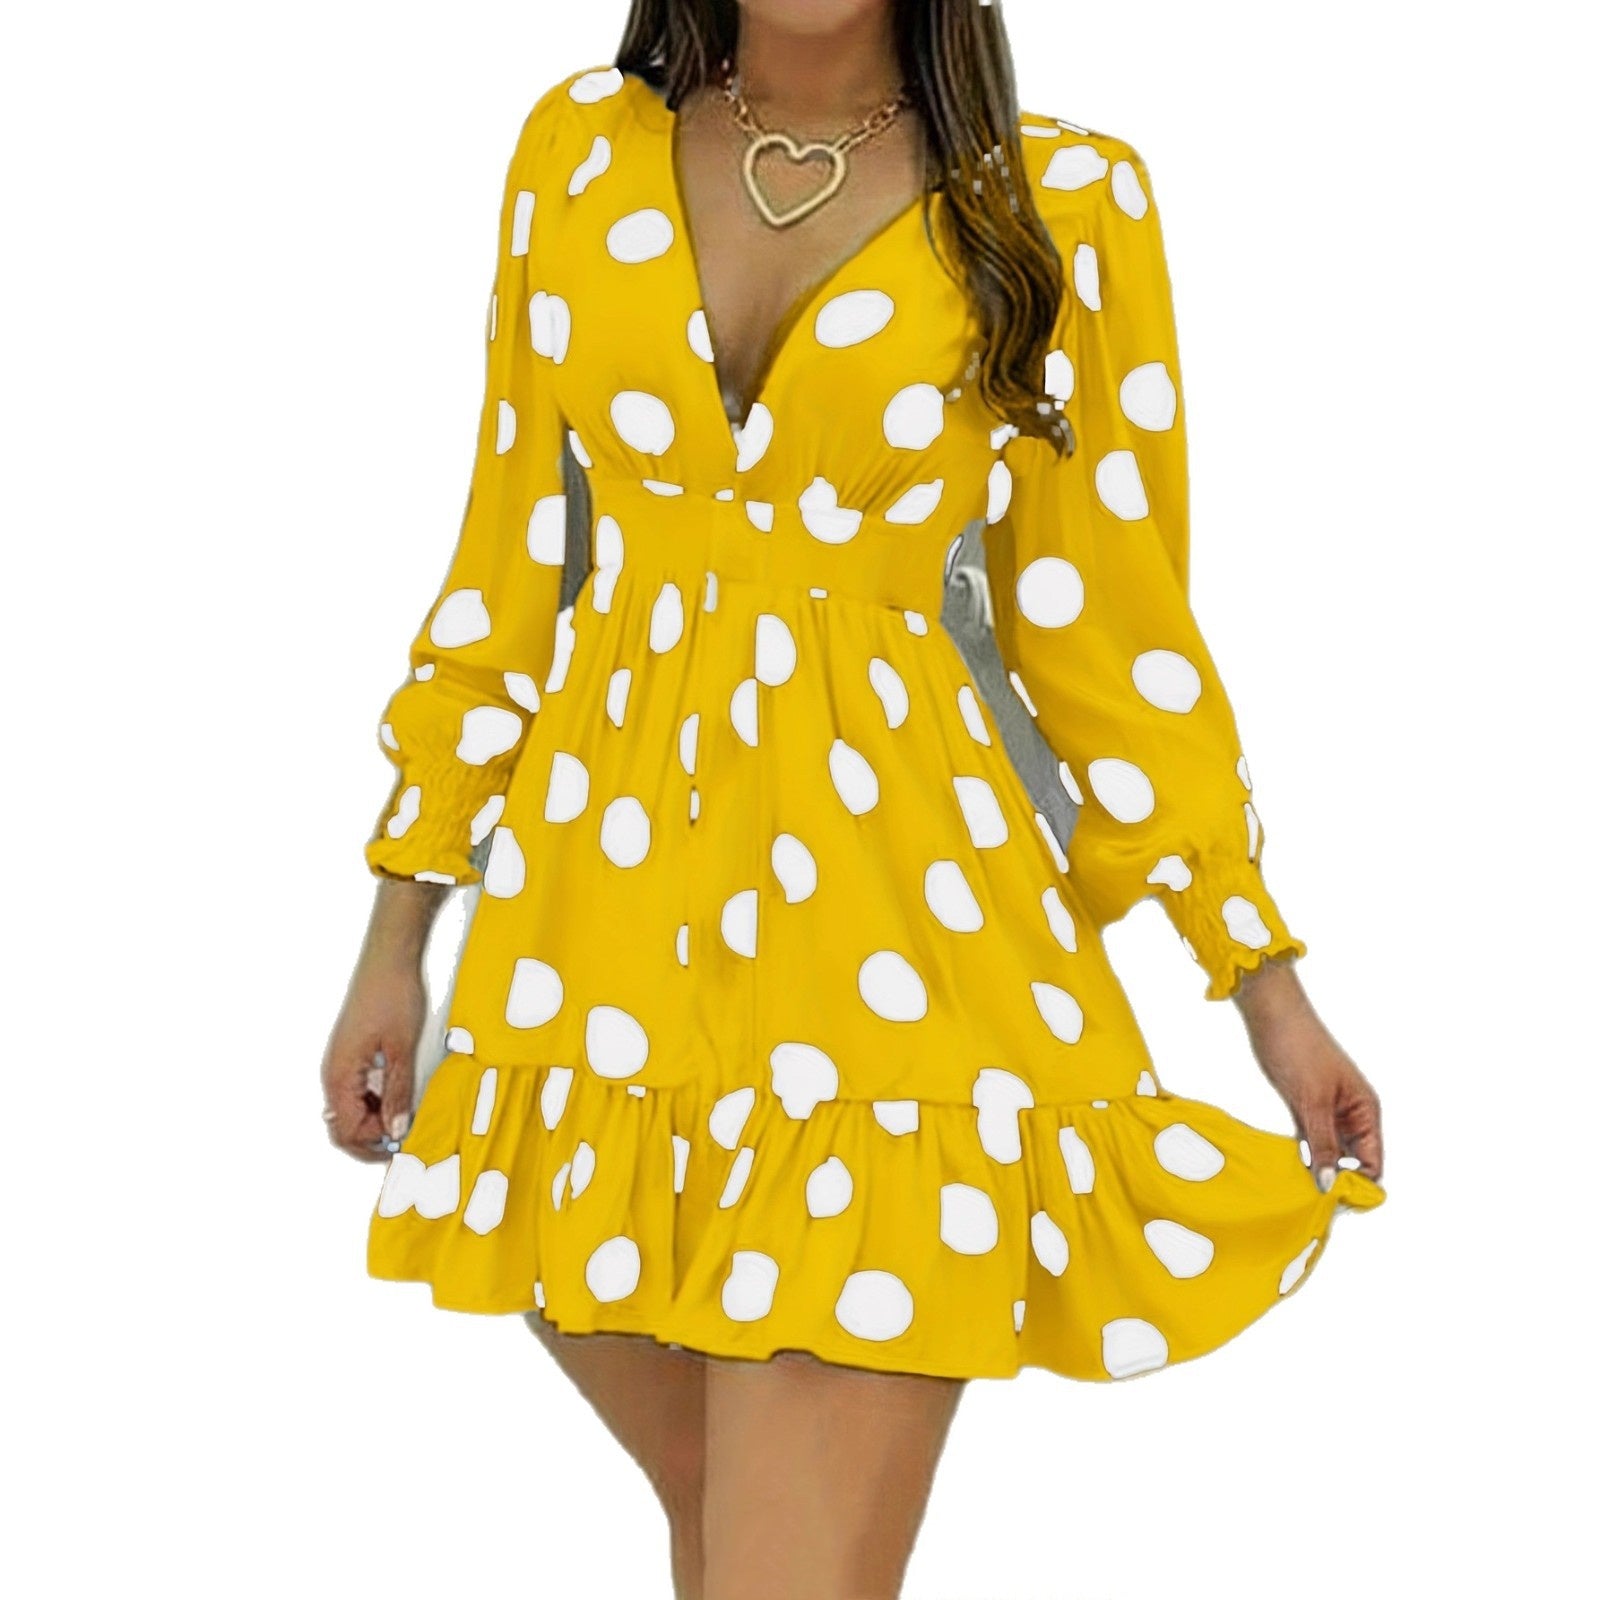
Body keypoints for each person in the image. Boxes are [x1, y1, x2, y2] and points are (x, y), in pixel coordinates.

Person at [321, 2, 1387, 1594]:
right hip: (588, 978)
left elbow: (1111, 636)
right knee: (728, 1544)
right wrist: (396, 937)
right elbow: (506, 573)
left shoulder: (1057, 202)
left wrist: (1263, 983)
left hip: (894, 978)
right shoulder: (573, 155)